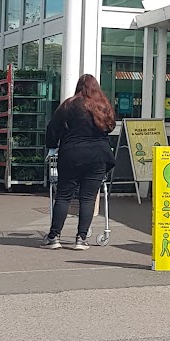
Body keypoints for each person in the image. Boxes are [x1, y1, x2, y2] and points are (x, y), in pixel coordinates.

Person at [42, 74, 116, 250]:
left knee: (63, 196)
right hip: (98, 156)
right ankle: (81, 239)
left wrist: (52, 146)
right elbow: (110, 127)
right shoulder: (103, 105)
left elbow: (53, 129)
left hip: (71, 155)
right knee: (88, 198)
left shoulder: (68, 105)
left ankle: (54, 237)